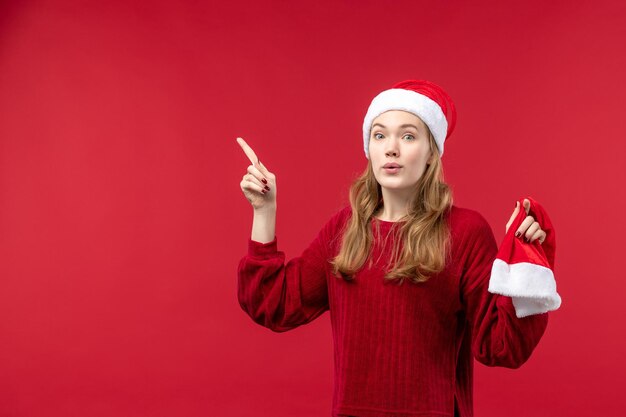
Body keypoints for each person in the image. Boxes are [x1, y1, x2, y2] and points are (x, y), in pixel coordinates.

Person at [235, 80, 561, 417]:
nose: (391, 148)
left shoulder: (465, 232)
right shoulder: (344, 230)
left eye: (408, 136)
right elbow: (273, 303)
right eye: (379, 135)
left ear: (432, 152)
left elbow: (501, 347)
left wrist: (527, 264)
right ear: (369, 149)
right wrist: (264, 211)